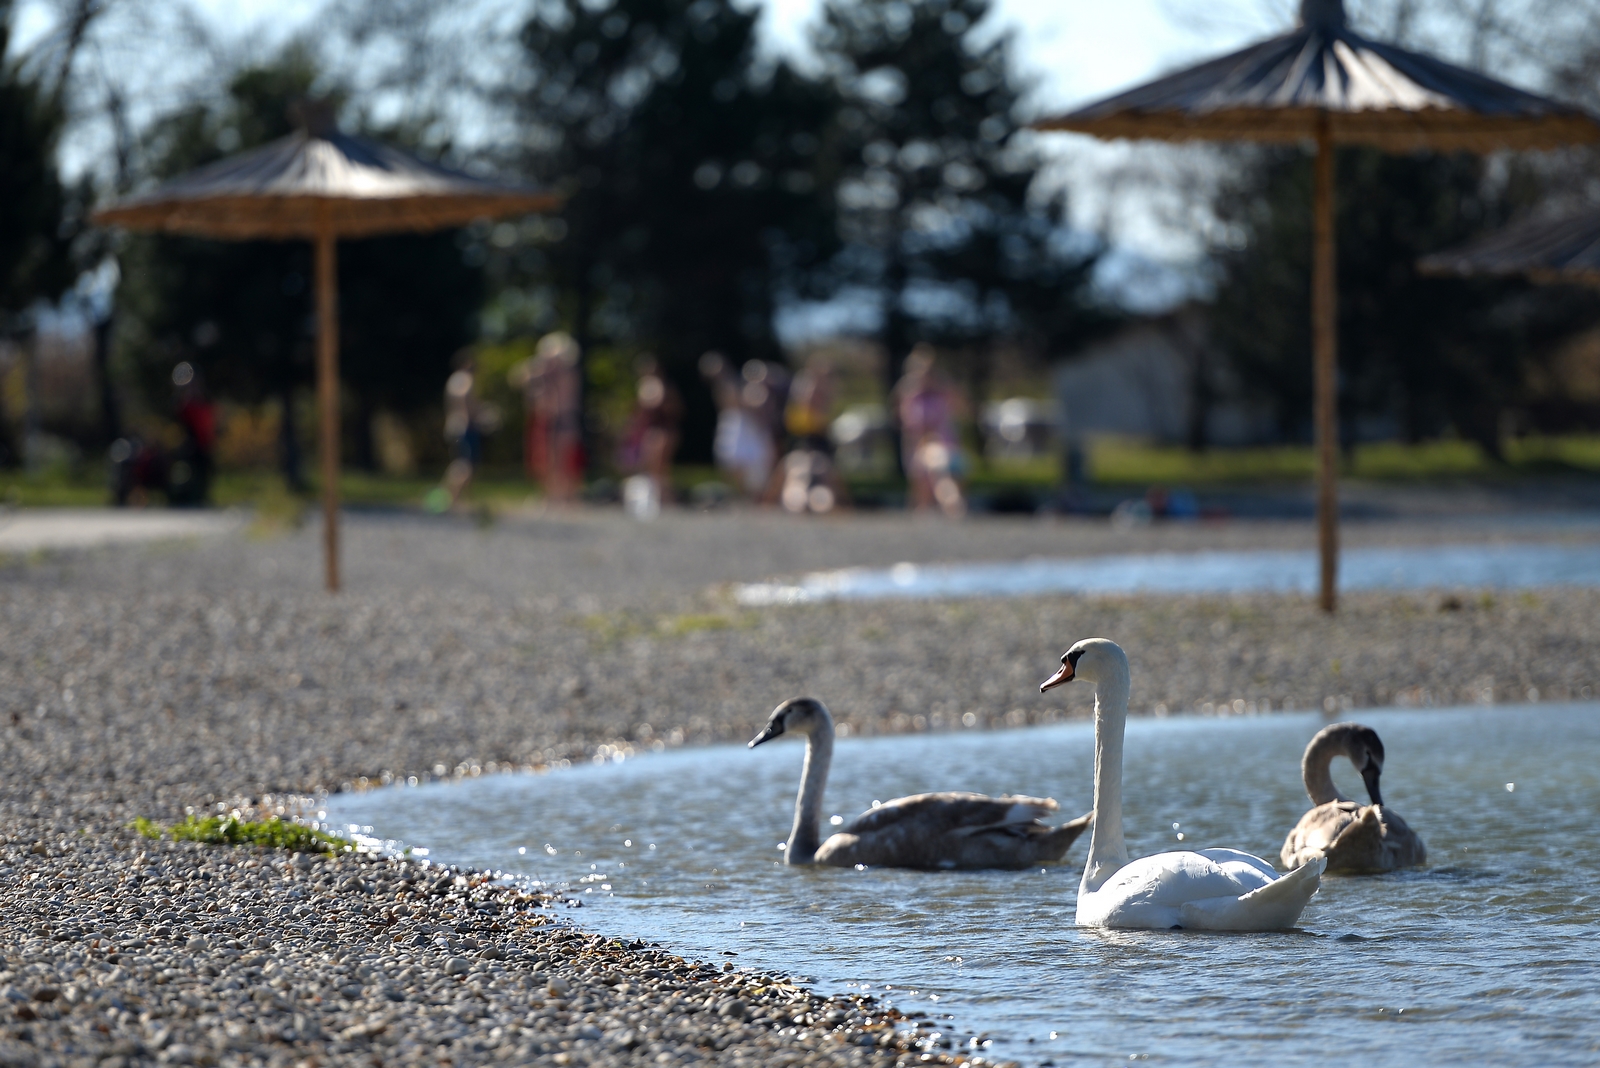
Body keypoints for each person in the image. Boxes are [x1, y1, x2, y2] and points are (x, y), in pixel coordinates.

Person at [891, 344, 967, 516]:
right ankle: (942, 508)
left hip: (944, 448)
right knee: (924, 489)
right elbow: (907, 425)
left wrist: (945, 384)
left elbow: (962, 407)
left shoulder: (942, 395)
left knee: (939, 472)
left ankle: (953, 505)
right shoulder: (911, 398)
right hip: (921, 450)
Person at [510, 331, 582, 504]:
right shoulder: (542, 375)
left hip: (564, 420)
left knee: (565, 461)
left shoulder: (567, 373)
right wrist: (537, 368)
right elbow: (516, 378)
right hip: (547, 421)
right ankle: (550, 496)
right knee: (544, 461)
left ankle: (566, 497)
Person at [701, 351, 773, 499]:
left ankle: (752, 496)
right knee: (733, 462)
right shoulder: (725, 386)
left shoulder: (737, 383)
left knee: (751, 464)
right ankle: (741, 495)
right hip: (734, 425)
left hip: (746, 426)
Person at [620, 355, 682, 516]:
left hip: (662, 430)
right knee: (653, 467)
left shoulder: (664, 387)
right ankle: (660, 500)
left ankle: (665, 499)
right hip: (650, 431)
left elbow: (669, 409)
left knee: (660, 467)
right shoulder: (644, 386)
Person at [443, 353, 485, 507]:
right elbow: (464, 396)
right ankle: (450, 497)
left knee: (460, 463)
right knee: (466, 464)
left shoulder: (454, 379)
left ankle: (455, 498)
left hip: (455, 425)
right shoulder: (464, 379)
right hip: (465, 426)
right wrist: (476, 414)